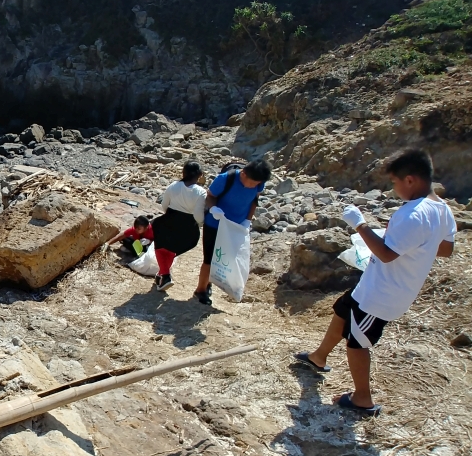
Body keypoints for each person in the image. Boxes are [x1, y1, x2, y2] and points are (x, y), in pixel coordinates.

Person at [295, 149, 456, 416]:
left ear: (410, 180)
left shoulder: (412, 214)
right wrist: (413, 244)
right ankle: (318, 357)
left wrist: (360, 225)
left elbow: (386, 254)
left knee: (357, 343)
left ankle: (363, 399)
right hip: (375, 284)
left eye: (394, 183)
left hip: (382, 294)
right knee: (342, 310)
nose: (393, 190)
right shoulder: (442, 210)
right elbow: (446, 248)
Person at [193, 159, 271, 304]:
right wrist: (213, 209)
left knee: (226, 258)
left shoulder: (259, 182)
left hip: (236, 227)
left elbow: (255, 200)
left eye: (258, 183)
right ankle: (201, 290)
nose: (255, 186)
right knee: (210, 259)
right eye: (253, 183)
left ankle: (214, 281)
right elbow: (210, 196)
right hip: (215, 224)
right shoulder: (225, 179)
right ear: (243, 174)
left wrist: (247, 220)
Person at [150, 161, 207, 291]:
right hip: (188, 226)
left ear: (183, 172)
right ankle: (164, 275)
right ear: (200, 175)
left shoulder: (173, 186)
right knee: (172, 250)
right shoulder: (201, 192)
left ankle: (164, 275)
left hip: (169, 220)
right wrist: (200, 223)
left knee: (161, 247)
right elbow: (198, 216)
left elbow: (164, 206)